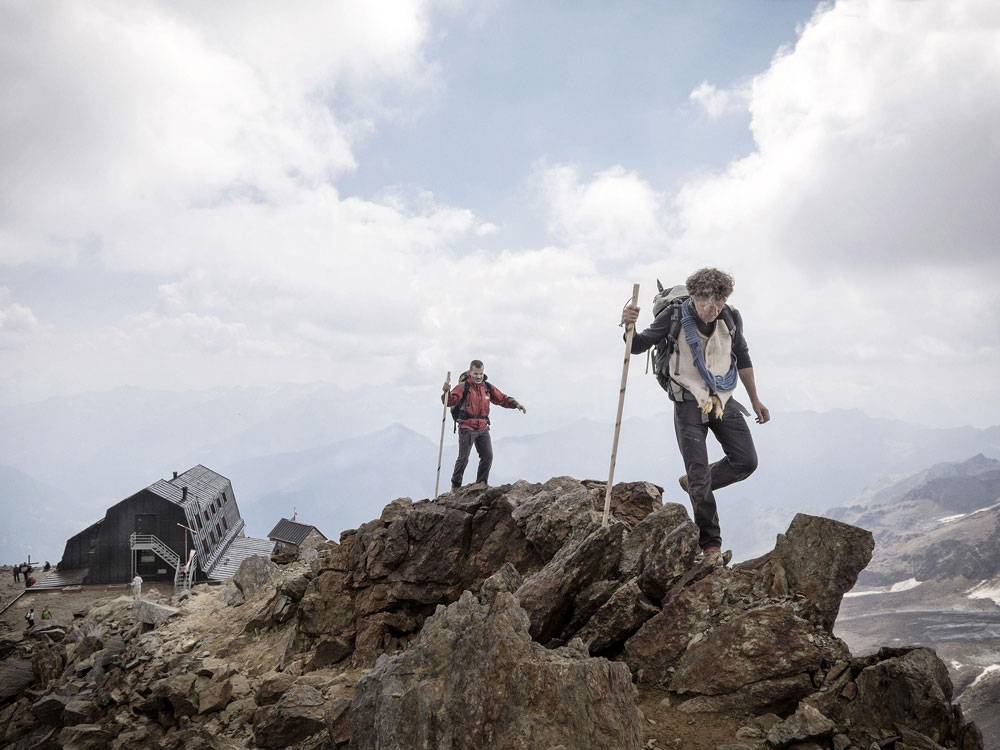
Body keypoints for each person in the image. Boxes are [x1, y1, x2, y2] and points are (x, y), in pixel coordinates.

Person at [622, 267, 769, 565]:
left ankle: (694, 483)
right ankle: (711, 546)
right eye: (706, 305)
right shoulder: (674, 316)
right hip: (687, 400)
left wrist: (755, 400)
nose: (712, 311)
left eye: (718, 304)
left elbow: (742, 355)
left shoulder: (731, 317)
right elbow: (637, 346)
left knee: (746, 461)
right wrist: (628, 325)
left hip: (722, 396)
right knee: (699, 474)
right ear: (694, 298)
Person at [442, 360, 526, 491]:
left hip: (483, 427)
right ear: (470, 372)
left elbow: (501, 398)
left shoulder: (487, 387)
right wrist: (446, 392)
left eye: (481, 374)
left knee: (487, 456)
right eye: (476, 373)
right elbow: (449, 401)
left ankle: (481, 484)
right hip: (466, 427)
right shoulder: (463, 387)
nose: (479, 376)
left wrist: (516, 404)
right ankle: (456, 486)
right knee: (463, 458)